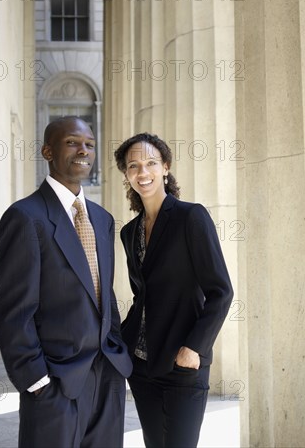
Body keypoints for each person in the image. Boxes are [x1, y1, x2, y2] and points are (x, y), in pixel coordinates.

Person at [0, 116, 132, 448]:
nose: (83, 150)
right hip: (55, 382)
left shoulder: (102, 218)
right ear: (48, 151)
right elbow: (13, 310)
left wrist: (116, 351)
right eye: (72, 142)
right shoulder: (26, 217)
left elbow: (103, 294)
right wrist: (35, 379)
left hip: (107, 378)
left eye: (90, 144)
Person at [114, 133, 234, 448]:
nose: (143, 172)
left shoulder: (191, 217)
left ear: (165, 167)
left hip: (183, 363)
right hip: (141, 366)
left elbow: (221, 291)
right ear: (127, 175)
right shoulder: (130, 232)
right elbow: (143, 296)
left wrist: (194, 349)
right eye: (134, 166)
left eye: (151, 163)